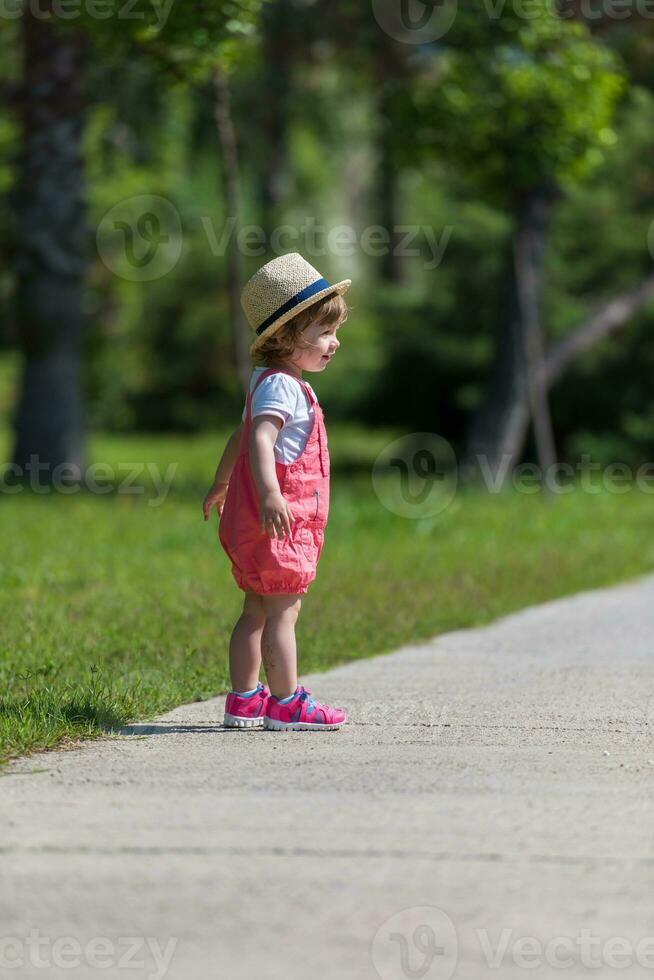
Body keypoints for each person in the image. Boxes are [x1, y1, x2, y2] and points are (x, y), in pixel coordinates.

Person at [202, 253, 351, 732]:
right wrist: (270, 493)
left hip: (260, 516)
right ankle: (286, 702)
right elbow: (261, 438)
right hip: (279, 517)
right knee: (284, 610)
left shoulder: (266, 381)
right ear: (287, 338)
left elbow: (240, 434)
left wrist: (223, 482)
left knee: (255, 608)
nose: (335, 342)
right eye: (324, 333)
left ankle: (244, 699)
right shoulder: (284, 388)